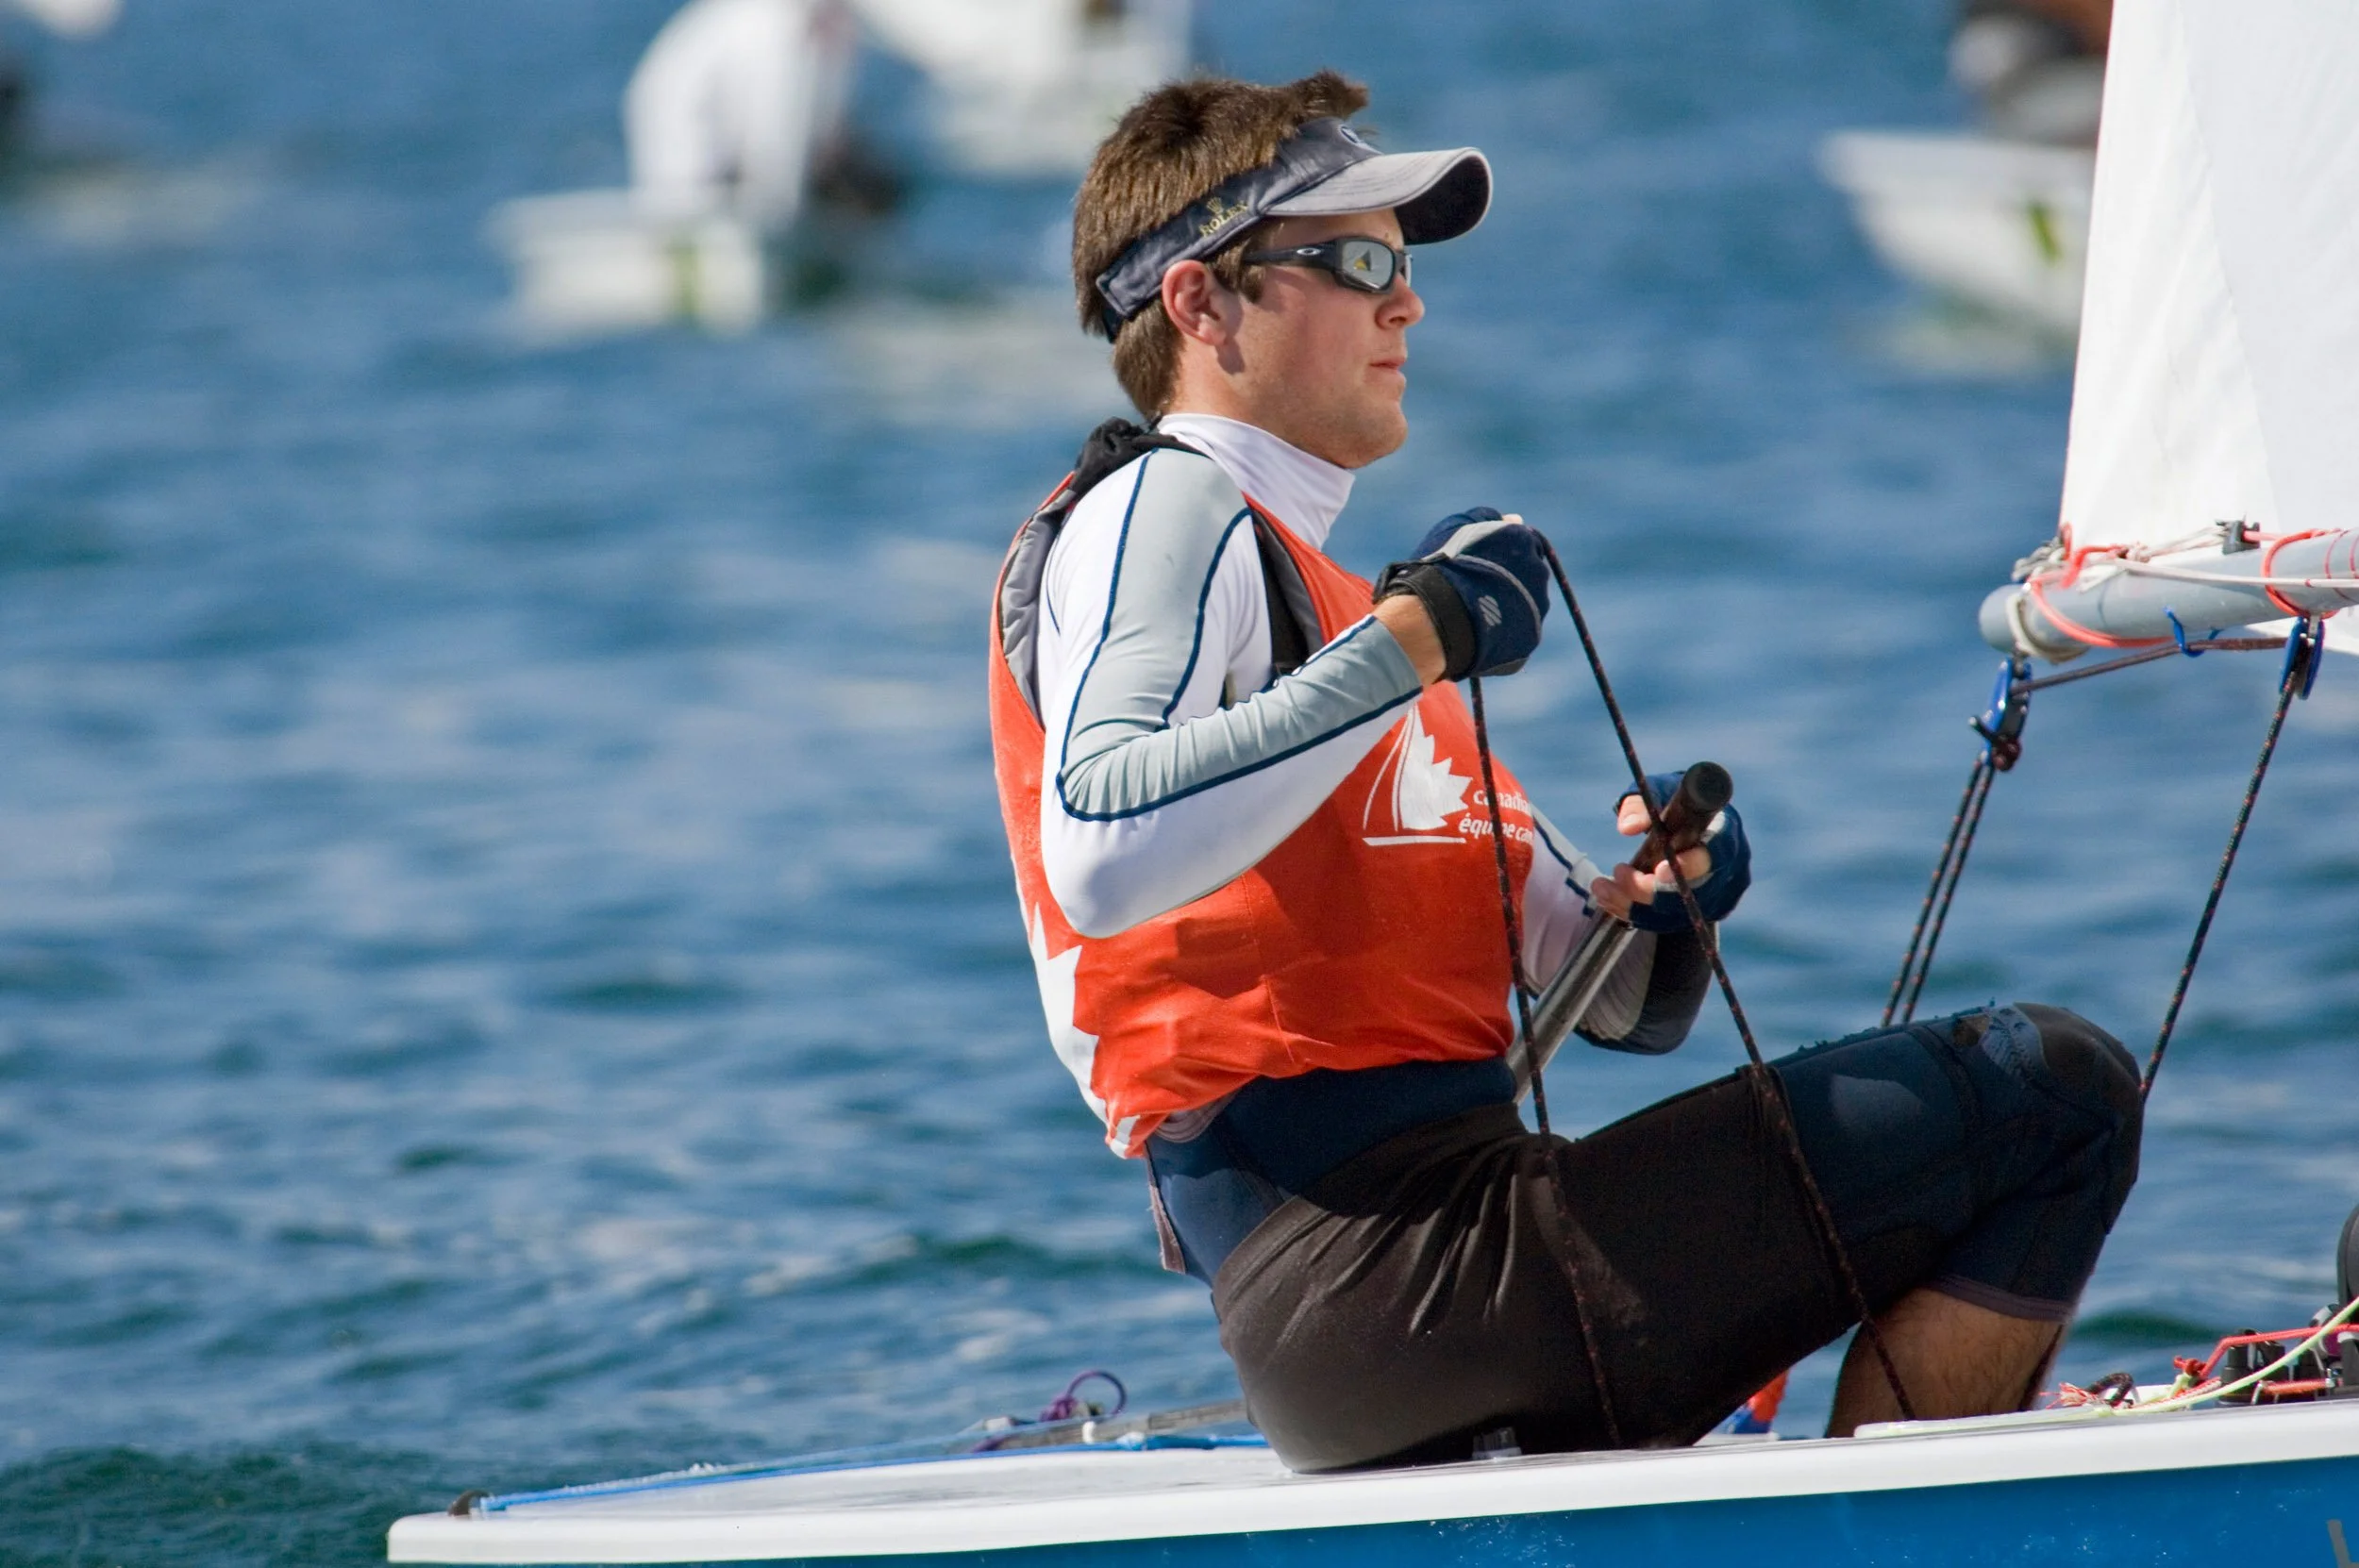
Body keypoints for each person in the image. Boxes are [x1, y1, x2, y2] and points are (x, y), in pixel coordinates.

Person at [986, 71, 2144, 1472]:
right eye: (1356, 263)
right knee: (2054, 1091)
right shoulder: (1162, 503)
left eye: (1405, 271)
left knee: (2022, 1104)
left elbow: (1621, 1011)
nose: (1405, 304)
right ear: (1197, 305)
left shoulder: (1351, 622)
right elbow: (1102, 844)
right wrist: (1414, 643)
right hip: (1372, 1279)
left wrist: (1665, 908)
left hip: (1452, 1269)